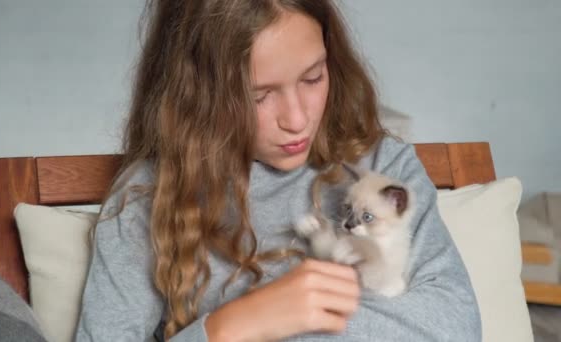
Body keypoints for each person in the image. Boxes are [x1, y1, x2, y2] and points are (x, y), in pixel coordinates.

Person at [75, 0, 481, 341]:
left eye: (313, 77)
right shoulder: (148, 196)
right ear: (198, 95)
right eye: (259, 96)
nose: (297, 118)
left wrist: (299, 322)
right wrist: (236, 324)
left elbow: (456, 320)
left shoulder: (380, 167)